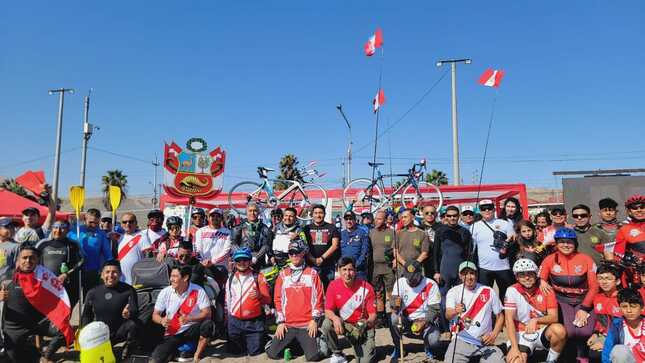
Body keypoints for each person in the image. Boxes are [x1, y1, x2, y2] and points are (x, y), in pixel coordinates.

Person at [0, 245, 73, 362]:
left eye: (32, 258)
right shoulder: (7, 277)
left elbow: (59, 296)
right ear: (18, 260)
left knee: (64, 330)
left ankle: (45, 357)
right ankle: (31, 350)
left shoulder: (45, 276)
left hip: (38, 321)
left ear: (37, 260)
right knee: (13, 358)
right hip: (15, 326)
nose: (28, 261)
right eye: (24, 258)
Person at [539, 227, 598, 359]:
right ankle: (568, 356)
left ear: (575, 243)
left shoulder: (586, 259)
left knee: (584, 331)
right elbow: (541, 277)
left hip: (583, 300)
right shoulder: (549, 259)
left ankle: (583, 355)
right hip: (562, 300)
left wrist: (584, 308)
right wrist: (542, 281)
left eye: (569, 242)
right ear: (556, 243)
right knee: (569, 332)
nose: (566, 245)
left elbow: (594, 286)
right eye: (562, 241)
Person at [267, 239, 324, 361]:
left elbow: (319, 299)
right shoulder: (283, 274)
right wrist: (281, 322)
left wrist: (314, 320)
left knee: (313, 357)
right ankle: (295, 344)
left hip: (306, 324)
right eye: (291, 253)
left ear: (303, 253)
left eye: (297, 252)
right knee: (272, 354)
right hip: (288, 324)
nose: (294, 255)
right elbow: (277, 299)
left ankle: (318, 338)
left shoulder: (312, 274)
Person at [504, 258, 567, 363]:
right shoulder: (512, 290)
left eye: (530, 273)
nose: (527, 277)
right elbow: (508, 320)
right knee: (516, 361)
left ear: (536, 274)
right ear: (516, 277)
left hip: (541, 331)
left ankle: (551, 360)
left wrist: (536, 320)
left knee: (559, 330)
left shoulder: (546, 289)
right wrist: (514, 348)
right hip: (521, 333)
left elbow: (554, 317)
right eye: (522, 274)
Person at [444, 261, 505, 363]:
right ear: (460, 275)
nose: (469, 277)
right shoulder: (453, 291)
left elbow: (500, 316)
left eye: (472, 273)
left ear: (476, 274)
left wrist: (493, 335)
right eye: (465, 274)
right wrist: (455, 310)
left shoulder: (488, 291)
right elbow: (448, 315)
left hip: (484, 341)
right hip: (461, 340)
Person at [151, 265, 214, 363]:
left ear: (185, 278)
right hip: (172, 332)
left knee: (208, 325)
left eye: (175, 276)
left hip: (191, 329)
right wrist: (161, 320)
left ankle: (197, 355)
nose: (171, 279)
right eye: (171, 276)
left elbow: (207, 313)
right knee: (156, 359)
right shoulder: (165, 292)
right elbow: (155, 315)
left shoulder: (198, 290)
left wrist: (190, 318)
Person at [81, 259, 139, 360]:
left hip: (119, 332)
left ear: (120, 274)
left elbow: (135, 311)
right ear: (102, 274)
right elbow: (86, 315)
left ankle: (128, 349)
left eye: (114, 272)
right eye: (107, 272)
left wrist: (129, 313)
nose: (111, 275)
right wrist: (84, 333)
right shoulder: (93, 292)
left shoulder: (128, 290)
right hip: (100, 335)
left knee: (134, 325)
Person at [322, 256, 377, 363]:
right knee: (327, 324)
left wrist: (366, 323)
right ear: (339, 270)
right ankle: (337, 353)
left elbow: (373, 315)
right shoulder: (333, 285)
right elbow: (328, 310)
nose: (347, 273)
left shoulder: (367, 287)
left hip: (363, 328)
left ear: (355, 271)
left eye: (350, 269)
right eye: (344, 269)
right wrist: (335, 318)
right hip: (345, 325)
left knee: (364, 361)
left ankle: (366, 348)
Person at [389, 260, 442, 361]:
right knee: (393, 318)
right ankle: (398, 347)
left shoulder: (431, 284)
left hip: (424, 320)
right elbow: (393, 304)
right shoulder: (400, 282)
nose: (411, 280)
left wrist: (425, 321)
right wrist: (394, 303)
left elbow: (435, 309)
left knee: (434, 340)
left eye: (414, 277)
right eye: (408, 277)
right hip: (406, 319)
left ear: (420, 272)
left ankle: (428, 348)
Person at [226, 247, 271, 356]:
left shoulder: (258, 277)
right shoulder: (231, 278)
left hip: (254, 322)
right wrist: (227, 319)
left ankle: (263, 336)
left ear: (250, 261)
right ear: (235, 262)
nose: (242, 263)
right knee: (235, 351)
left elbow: (268, 300)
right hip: (235, 322)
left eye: (245, 260)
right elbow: (227, 300)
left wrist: (260, 296)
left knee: (254, 352)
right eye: (238, 260)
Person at [471, 199, 515, 300]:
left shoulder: (505, 223)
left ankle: (504, 315)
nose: (487, 211)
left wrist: (506, 245)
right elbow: (472, 249)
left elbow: (513, 242)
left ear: (494, 209)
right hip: (484, 268)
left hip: (503, 267)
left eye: (489, 208)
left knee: (506, 296)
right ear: (480, 211)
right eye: (483, 208)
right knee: (485, 296)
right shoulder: (475, 226)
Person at [36, 220, 84, 307]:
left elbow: (82, 261)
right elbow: (34, 262)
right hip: (47, 285)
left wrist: (67, 274)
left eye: (62, 228)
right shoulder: (43, 244)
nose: (58, 231)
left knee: (65, 313)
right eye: (55, 227)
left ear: (68, 230)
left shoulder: (73, 244)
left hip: (68, 285)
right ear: (52, 228)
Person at [68, 208, 112, 294]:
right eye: (91, 222)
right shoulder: (74, 232)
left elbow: (108, 254)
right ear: (85, 219)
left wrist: (108, 269)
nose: (94, 225)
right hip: (75, 271)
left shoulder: (101, 234)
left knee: (90, 300)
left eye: (96, 223)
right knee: (72, 299)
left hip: (93, 272)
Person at [432, 206, 473, 292]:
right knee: (443, 296)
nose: (452, 218)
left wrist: (468, 271)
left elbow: (469, 253)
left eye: (454, 216)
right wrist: (436, 271)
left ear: (459, 216)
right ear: (446, 216)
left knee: (461, 295)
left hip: (461, 269)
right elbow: (435, 252)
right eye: (449, 216)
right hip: (445, 270)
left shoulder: (465, 232)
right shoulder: (440, 231)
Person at [588, 264, 622, 360]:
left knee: (599, 354)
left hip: (621, 338)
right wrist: (595, 333)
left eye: (608, 278)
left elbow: (626, 327)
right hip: (604, 336)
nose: (604, 282)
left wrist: (607, 343)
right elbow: (600, 322)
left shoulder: (624, 299)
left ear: (618, 281)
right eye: (601, 278)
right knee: (592, 353)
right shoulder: (597, 298)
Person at [601, 288, 645, 363]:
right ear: (620, 308)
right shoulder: (617, 326)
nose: (629, 310)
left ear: (642, 308)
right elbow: (607, 351)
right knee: (619, 350)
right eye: (624, 307)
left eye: (633, 306)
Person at [303, 204, 341, 288]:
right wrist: (312, 259)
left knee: (328, 290)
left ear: (324, 214)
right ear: (312, 214)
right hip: (311, 264)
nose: (318, 215)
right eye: (315, 213)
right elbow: (304, 246)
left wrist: (322, 258)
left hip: (328, 265)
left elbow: (335, 245)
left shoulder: (332, 227)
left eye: (320, 213)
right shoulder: (306, 228)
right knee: (312, 289)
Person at [369, 210, 395, 327]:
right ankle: (381, 317)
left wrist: (395, 260)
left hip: (388, 267)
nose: (377, 221)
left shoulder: (392, 232)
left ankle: (394, 316)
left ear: (385, 220)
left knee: (391, 292)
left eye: (380, 219)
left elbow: (395, 249)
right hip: (375, 267)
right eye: (376, 218)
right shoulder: (371, 232)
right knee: (378, 293)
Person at [194, 208, 232, 285]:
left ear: (221, 218)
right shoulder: (200, 231)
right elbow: (197, 249)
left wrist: (213, 262)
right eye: (212, 216)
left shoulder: (227, 232)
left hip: (220, 267)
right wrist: (204, 261)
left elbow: (227, 251)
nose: (215, 218)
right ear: (208, 218)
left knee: (220, 291)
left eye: (218, 216)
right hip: (203, 266)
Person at [231, 202, 273, 271]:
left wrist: (256, 257)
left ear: (258, 212)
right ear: (246, 212)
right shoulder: (238, 227)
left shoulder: (265, 228)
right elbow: (233, 243)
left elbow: (266, 245)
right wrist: (243, 255)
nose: (252, 213)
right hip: (242, 262)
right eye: (250, 211)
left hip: (259, 263)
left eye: (255, 211)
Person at [613, 194, 645, 278]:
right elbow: (617, 256)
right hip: (637, 275)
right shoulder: (624, 229)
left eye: (642, 207)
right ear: (629, 211)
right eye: (634, 208)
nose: (639, 210)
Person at [116, 213, 152, 285]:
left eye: (131, 221)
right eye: (124, 222)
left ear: (136, 223)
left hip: (136, 278)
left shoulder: (142, 236)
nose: (127, 224)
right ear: (121, 225)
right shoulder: (120, 238)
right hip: (122, 278)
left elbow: (149, 256)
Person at [393, 209, 430, 274]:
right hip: (402, 270)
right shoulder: (398, 233)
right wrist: (405, 264)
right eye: (402, 217)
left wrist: (414, 264)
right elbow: (395, 252)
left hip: (417, 269)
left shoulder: (422, 234)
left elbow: (425, 253)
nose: (403, 219)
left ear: (413, 217)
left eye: (405, 217)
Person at [339, 211, 370, 280]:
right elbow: (338, 253)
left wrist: (355, 265)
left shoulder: (362, 233)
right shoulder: (341, 234)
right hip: (344, 270)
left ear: (355, 220)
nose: (349, 221)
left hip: (358, 271)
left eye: (351, 219)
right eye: (346, 219)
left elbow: (365, 252)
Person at [419, 205, 441, 279]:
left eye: (432, 213)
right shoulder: (419, 229)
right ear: (423, 214)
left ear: (436, 214)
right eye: (427, 213)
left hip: (440, 263)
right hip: (424, 264)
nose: (429, 215)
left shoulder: (442, 228)